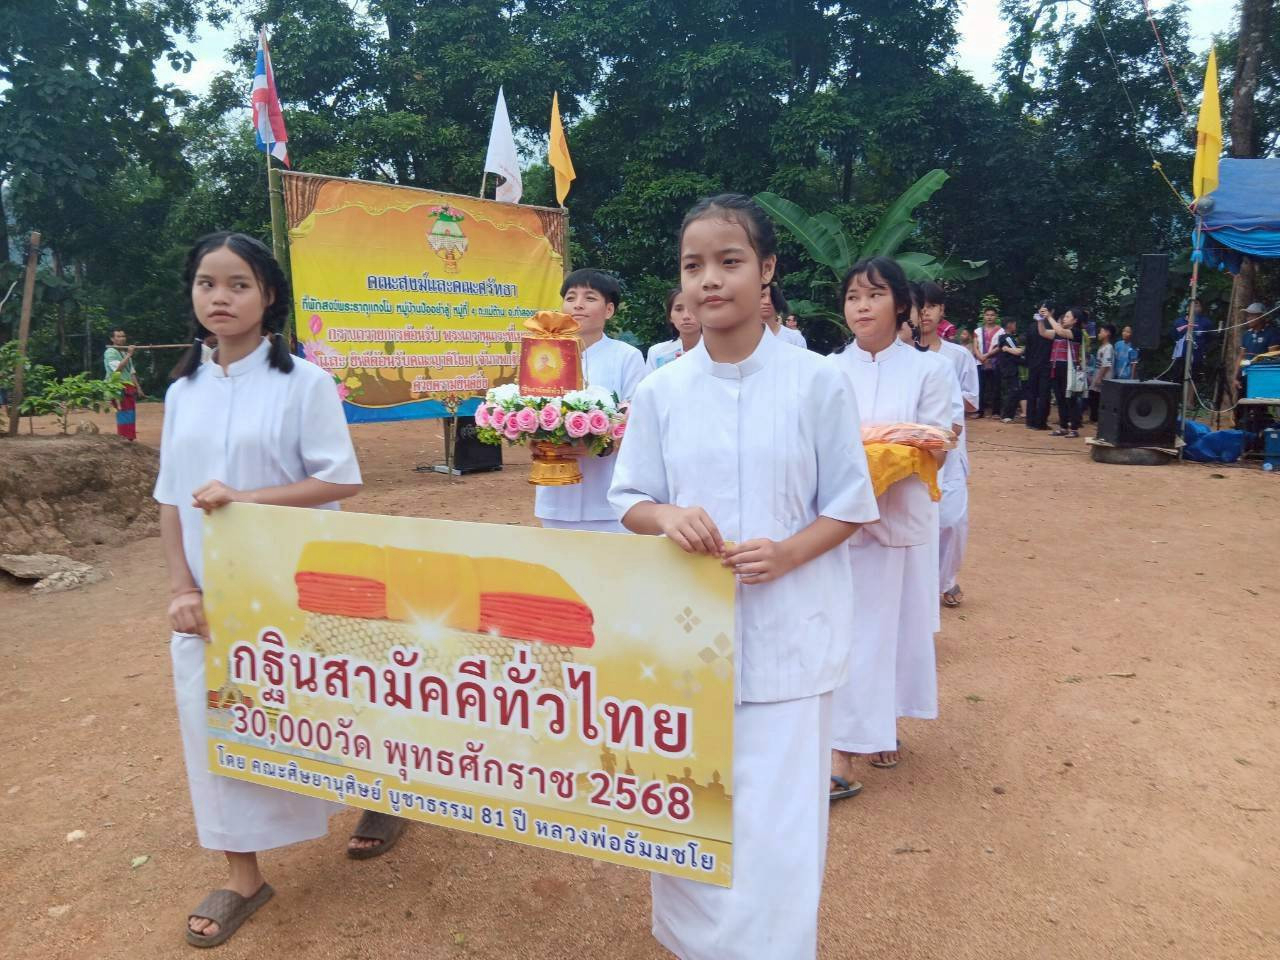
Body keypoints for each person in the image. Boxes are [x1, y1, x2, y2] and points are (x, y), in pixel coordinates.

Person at [609, 194, 877, 960]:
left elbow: (850, 506)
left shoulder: (817, 381)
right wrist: (667, 518)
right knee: (693, 810)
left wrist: (788, 552)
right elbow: (629, 499)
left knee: (777, 827)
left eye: (729, 261)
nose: (709, 281)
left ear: (767, 271)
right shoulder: (661, 390)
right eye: (694, 266)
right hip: (687, 641)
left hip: (790, 633)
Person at [156, 232, 401, 948]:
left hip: (299, 587)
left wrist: (247, 499)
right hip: (210, 598)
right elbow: (171, 498)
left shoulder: (305, 383)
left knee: (333, 703)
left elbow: (340, 477)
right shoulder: (182, 389)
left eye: (238, 284)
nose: (220, 297)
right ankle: (241, 876)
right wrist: (180, 585)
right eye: (207, 283)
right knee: (215, 723)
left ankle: (384, 797)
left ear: (268, 296)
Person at [829, 257, 951, 782]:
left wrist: (876, 443)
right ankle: (845, 744)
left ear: (901, 305)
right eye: (854, 296)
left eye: (874, 295)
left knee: (891, 632)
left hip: (899, 519)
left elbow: (936, 443)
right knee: (850, 632)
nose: (862, 306)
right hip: (836, 524)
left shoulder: (930, 369)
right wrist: (887, 438)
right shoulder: (828, 370)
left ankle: (872, 731)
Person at [536, 268, 646, 533]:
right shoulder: (544, 356)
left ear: (609, 310)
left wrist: (601, 446)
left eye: (589, 297)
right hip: (555, 494)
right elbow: (530, 406)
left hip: (607, 495)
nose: (578, 304)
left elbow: (638, 420)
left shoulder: (626, 357)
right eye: (571, 297)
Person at [919, 282, 977, 608]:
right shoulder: (905, 354)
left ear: (942, 312)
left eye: (932, 306)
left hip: (951, 450)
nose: (925, 312)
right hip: (915, 450)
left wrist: (942, 404)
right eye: (920, 305)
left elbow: (971, 401)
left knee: (952, 520)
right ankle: (925, 585)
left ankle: (948, 578)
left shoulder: (958, 356)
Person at [1047, 306, 1085, 437]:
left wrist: (1048, 317)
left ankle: (1074, 428)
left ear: (1075, 320)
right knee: (1060, 399)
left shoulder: (1076, 332)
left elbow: (1061, 332)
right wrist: (1040, 320)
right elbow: (1043, 333)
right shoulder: (1060, 331)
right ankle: (1063, 427)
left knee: (1071, 399)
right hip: (1057, 368)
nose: (1064, 318)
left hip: (1069, 370)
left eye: (1068, 316)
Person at [646, 287, 701, 372]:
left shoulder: (719, 352)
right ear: (670, 316)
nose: (686, 316)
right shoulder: (657, 353)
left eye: (693, 308)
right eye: (679, 309)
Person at [104, 327, 144, 440]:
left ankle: (130, 437)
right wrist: (129, 355)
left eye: (123, 336)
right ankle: (124, 437)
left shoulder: (124, 353)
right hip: (117, 388)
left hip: (128, 387)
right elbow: (118, 369)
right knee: (123, 413)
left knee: (130, 413)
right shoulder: (110, 352)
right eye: (118, 336)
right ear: (112, 338)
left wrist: (139, 388)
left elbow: (131, 372)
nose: (122, 339)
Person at [1025, 303, 1055, 430]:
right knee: (1044, 393)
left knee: (1032, 393)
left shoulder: (1032, 326)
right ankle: (1041, 422)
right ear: (1052, 311)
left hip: (1033, 364)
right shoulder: (1053, 328)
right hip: (1047, 364)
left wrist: (1028, 361)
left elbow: (1028, 347)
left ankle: (1030, 421)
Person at [974, 306, 1004, 417]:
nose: (989, 317)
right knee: (980, 387)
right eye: (987, 315)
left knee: (996, 387)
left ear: (995, 316)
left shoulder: (1001, 331)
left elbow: (1000, 346)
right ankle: (979, 411)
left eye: (992, 315)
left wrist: (986, 355)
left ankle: (996, 412)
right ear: (984, 316)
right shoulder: (977, 331)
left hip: (995, 362)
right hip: (980, 362)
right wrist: (980, 356)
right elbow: (975, 346)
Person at [761, 284, 807, 349]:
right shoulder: (743, 338)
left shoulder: (795, 339)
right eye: (761, 296)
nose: (767, 301)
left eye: (772, 297)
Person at [996, 317, 1024, 423]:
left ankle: (1009, 415)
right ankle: (1006, 415)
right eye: (1014, 324)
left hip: (1009, 368)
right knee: (1012, 391)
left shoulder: (1007, 338)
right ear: (1009, 325)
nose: (1015, 327)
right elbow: (1017, 351)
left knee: (1013, 391)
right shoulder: (1007, 338)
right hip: (1009, 369)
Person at [1087, 324, 1115, 423]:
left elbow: (1106, 364)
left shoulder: (1108, 347)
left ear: (1107, 333)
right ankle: (1094, 418)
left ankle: (1098, 420)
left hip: (1104, 377)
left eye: (1101, 331)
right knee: (1093, 395)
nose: (1099, 334)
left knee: (1098, 397)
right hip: (1098, 375)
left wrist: (1099, 378)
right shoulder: (1102, 346)